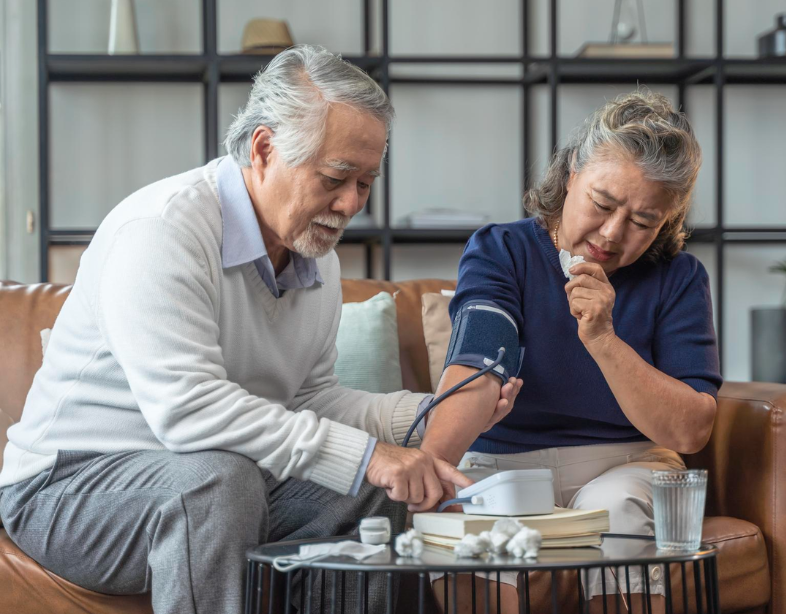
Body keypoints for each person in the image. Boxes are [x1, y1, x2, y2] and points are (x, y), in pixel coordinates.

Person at [0, 45, 520, 614]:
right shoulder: (162, 232)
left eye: (365, 183)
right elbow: (187, 410)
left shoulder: (315, 255)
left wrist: (430, 412)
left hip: (221, 476)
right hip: (68, 487)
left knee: (371, 490)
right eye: (335, 177)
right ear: (265, 149)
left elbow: (308, 397)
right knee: (220, 483)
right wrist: (370, 454)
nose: (350, 204)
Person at [421, 90, 721, 613]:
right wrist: (430, 468)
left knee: (619, 508)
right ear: (573, 171)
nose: (611, 234)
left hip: (625, 463)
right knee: (467, 531)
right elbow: (480, 367)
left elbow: (690, 430)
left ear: (668, 219)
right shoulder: (501, 250)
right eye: (603, 204)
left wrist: (604, 339)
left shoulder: (679, 278)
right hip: (501, 464)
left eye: (644, 222)